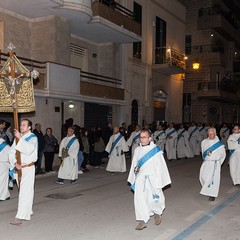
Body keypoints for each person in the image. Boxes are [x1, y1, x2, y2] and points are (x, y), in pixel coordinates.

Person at [127, 129, 171, 230]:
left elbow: (161, 166)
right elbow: (134, 164)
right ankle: (142, 220)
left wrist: (160, 181)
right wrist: (134, 175)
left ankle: (157, 213)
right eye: (141, 137)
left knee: (154, 199)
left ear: (150, 138)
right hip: (140, 179)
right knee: (139, 200)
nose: (142, 139)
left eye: (144, 137)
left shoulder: (155, 150)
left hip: (152, 178)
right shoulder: (137, 150)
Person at [9, 119, 38, 225]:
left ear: (29, 127)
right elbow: (12, 152)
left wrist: (20, 138)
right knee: (25, 191)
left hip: (28, 168)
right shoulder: (18, 137)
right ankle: (28, 210)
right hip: (19, 167)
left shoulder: (33, 137)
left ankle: (19, 216)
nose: (21, 127)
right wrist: (15, 162)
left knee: (24, 192)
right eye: (21, 125)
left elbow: (29, 149)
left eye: (24, 125)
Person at [199, 127, 226, 201]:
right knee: (203, 177)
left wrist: (218, 163)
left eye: (212, 134)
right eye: (209, 134)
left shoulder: (219, 145)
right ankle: (207, 189)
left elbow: (223, 155)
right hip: (206, 162)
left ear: (215, 134)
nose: (210, 136)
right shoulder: (204, 142)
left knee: (214, 179)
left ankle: (212, 194)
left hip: (215, 164)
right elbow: (203, 151)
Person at [0, 136, 11, 201]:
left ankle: (4, 195)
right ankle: (4, 195)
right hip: (3, 164)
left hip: (3, 164)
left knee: (2, 180)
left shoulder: (4, 145)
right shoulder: (6, 145)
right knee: (3, 180)